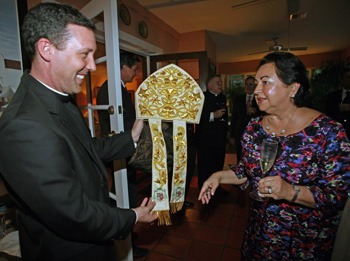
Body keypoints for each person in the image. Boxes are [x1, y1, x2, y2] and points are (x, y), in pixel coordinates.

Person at [0, 3, 157, 260]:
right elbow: (73, 214)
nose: (93, 66)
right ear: (46, 49)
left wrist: (132, 136)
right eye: (84, 54)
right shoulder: (23, 126)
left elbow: (84, 150)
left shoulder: (60, 97)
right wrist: (133, 216)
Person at [198, 52, 350, 260]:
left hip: (304, 242)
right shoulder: (254, 128)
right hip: (259, 234)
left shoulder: (328, 132)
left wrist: (289, 191)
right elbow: (246, 171)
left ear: (293, 88)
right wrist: (218, 176)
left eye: (265, 82)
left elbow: (337, 196)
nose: (257, 89)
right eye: (257, 82)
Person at [96, 51, 149, 258]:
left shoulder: (118, 88)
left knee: (128, 192)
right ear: (123, 68)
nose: (136, 74)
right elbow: (122, 124)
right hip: (120, 151)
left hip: (124, 149)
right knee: (124, 196)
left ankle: (127, 232)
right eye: (134, 69)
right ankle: (125, 242)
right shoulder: (111, 90)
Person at [196, 74, 229, 194]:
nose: (220, 84)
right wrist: (212, 115)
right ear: (209, 85)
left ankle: (216, 188)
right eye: (217, 82)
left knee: (218, 163)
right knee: (205, 165)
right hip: (206, 139)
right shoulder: (201, 97)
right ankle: (203, 189)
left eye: (221, 82)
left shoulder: (223, 98)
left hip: (220, 139)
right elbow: (196, 117)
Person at [230, 76, 261, 161]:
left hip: (255, 133)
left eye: (251, 84)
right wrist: (232, 135)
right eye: (246, 84)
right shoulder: (238, 99)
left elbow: (265, 115)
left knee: (252, 157)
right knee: (240, 156)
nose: (248, 86)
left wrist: (256, 111)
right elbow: (234, 117)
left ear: (255, 86)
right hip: (240, 132)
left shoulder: (260, 99)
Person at [325, 66, 350, 137]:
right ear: (342, 79)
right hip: (336, 131)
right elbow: (328, 112)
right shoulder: (332, 95)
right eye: (348, 77)